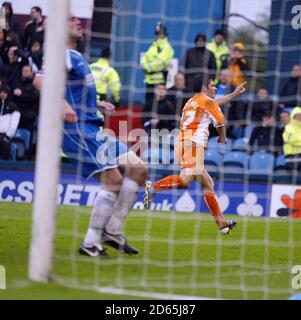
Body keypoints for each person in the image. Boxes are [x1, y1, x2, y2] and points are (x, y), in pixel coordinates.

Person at [34, 14, 148, 257]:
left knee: (139, 168)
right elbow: (39, 81)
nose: (77, 21)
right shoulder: (60, 53)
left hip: (92, 128)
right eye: (70, 19)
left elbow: (74, 93)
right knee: (114, 181)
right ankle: (91, 241)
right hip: (75, 130)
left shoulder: (77, 57)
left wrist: (98, 104)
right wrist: (63, 104)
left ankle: (111, 230)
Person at [143, 73, 246, 234]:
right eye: (212, 85)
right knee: (185, 181)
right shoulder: (206, 101)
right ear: (204, 87)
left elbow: (213, 102)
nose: (215, 87)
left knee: (208, 184)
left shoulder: (192, 101)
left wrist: (233, 95)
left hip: (184, 142)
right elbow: (219, 122)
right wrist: (222, 137)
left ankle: (221, 224)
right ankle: (153, 188)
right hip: (194, 144)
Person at [140, 22, 174, 102]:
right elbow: (144, 58)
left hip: (160, 82)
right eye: (157, 33)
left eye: (160, 33)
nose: (158, 35)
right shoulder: (153, 46)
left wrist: (147, 67)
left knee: (157, 107)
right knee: (149, 105)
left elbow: (160, 63)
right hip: (149, 81)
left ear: (165, 34)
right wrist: (145, 65)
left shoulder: (167, 47)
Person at [0, 85, 20, 159]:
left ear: (8, 94)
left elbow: (14, 124)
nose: (2, 94)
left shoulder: (14, 107)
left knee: (5, 146)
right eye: (1, 92)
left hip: (5, 136)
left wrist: (8, 136)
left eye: (5, 92)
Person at [283, 106, 301, 171]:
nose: (299, 117)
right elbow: (292, 140)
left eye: (300, 115)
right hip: (291, 157)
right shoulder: (288, 127)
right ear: (293, 116)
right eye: (297, 115)